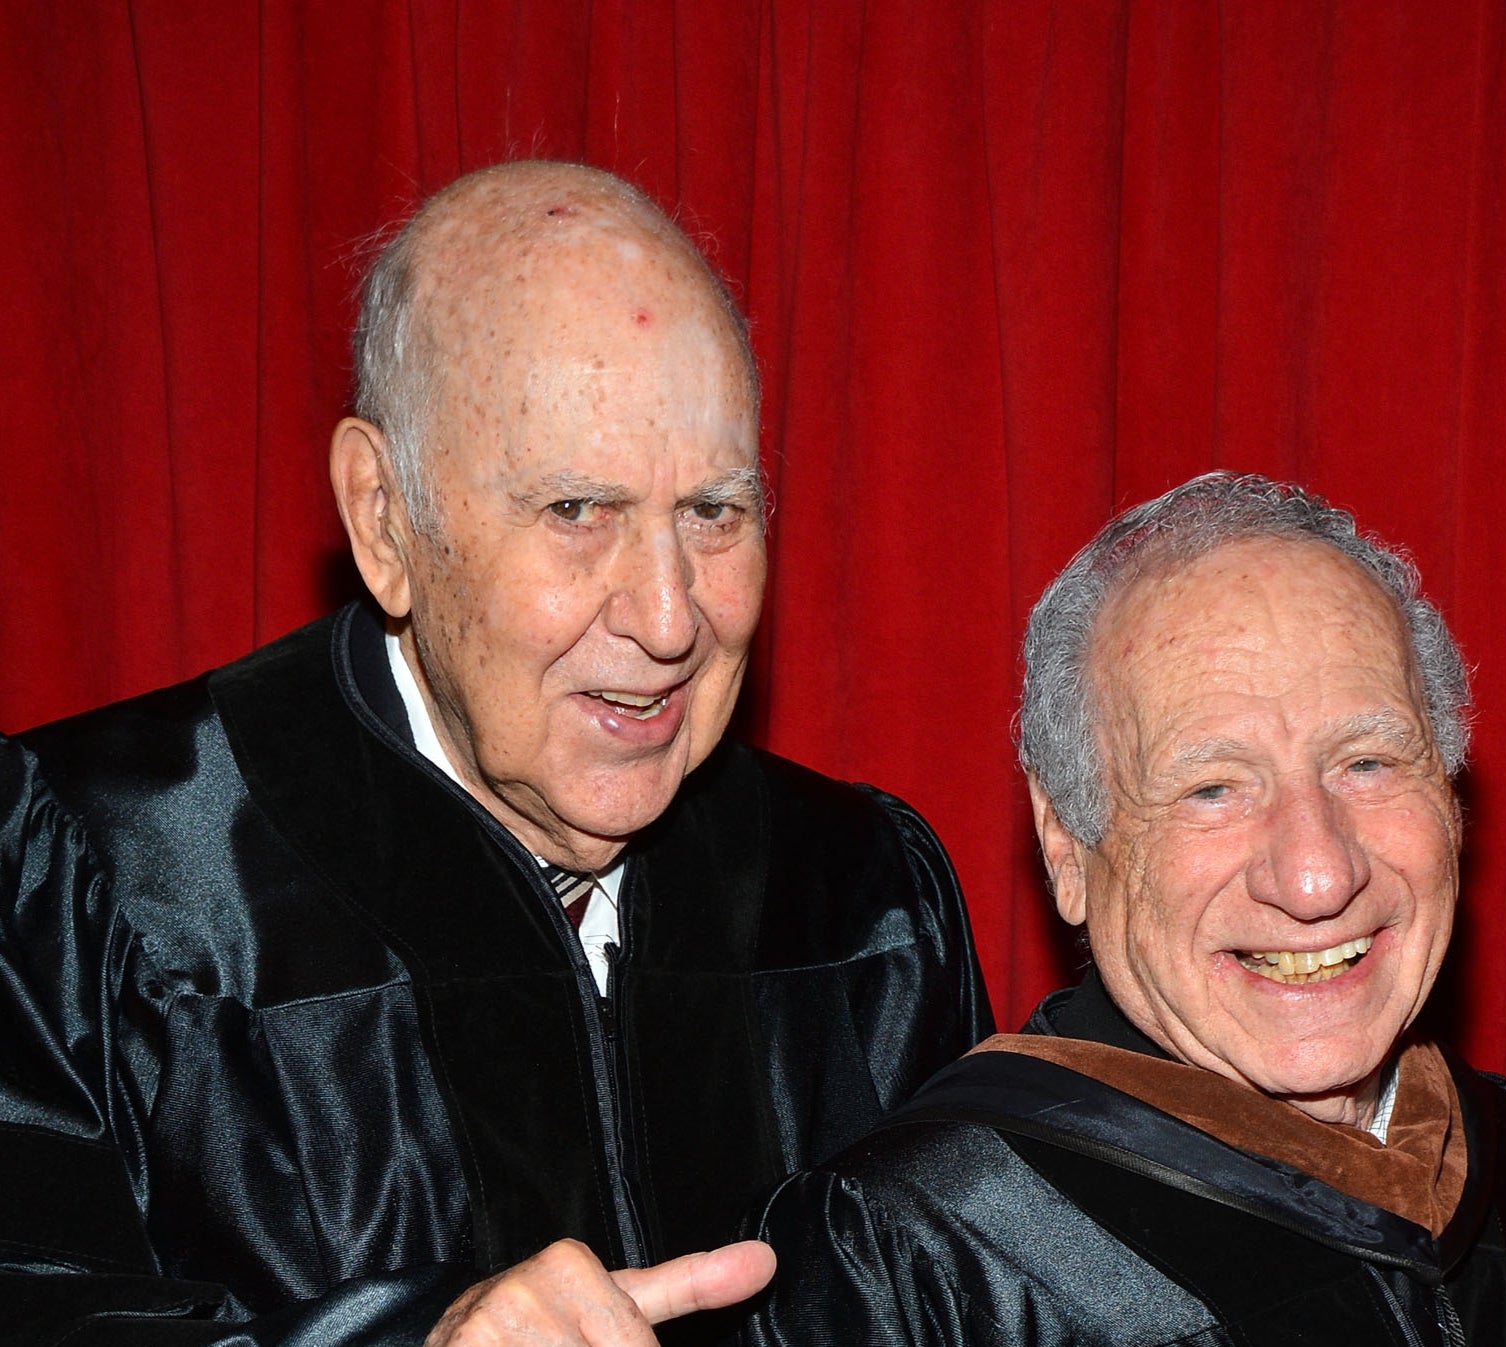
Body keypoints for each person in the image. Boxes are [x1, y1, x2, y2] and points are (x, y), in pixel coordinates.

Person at [0, 161, 990, 1346]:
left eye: (714, 513)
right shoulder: (97, 874)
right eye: (578, 512)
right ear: (385, 519)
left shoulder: (863, 907)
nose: (671, 618)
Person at [744, 472, 1506, 1345]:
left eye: (1368, 761)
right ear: (1066, 845)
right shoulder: (919, 1253)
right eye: (1212, 787)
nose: (1318, 876)